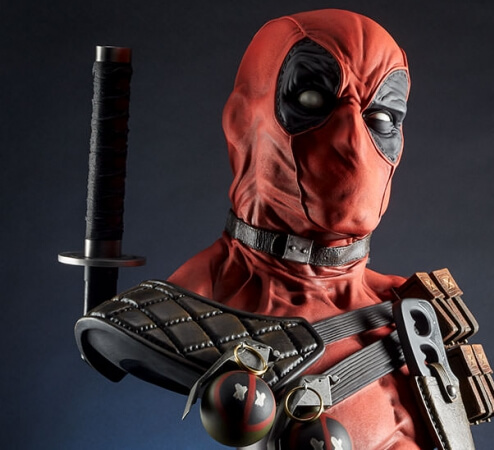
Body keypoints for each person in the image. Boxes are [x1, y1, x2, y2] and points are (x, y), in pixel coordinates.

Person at [168, 9, 432, 449]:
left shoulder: (407, 306)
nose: (352, 143)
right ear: (241, 122)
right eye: (311, 100)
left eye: (383, 118)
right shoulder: (189, 306)